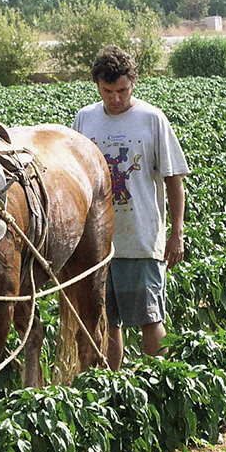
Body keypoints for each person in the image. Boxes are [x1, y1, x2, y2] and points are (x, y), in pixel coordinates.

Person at [71, 45, 190, 371]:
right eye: (107, 91)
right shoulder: (85, 118)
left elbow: (173, 180)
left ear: (133, 83)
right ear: (97, 85)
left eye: (121, 90)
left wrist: (176, 233)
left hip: (140, 238)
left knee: (150, 318)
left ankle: (160, 382)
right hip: (98, 245)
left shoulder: (151, 119)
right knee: (108, 322)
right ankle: (115, 386)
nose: (115, 98)